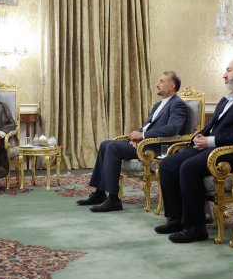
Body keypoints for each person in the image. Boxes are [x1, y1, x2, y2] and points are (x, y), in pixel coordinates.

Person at [156, 58, 233, 243]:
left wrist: (211, 141)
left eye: (228, 70)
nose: (224, 75)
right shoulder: (227, 99)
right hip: (214, 149)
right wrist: (198, 137)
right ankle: (176, 219)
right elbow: (212, 126)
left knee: (188, 167)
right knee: (168, 164)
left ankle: (196, 227)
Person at [77, 71, 189, 212]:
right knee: (105, 144)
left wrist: (142, 135)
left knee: (112, 147)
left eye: (161, 81)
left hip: (154, 147)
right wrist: (135, 137)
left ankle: (113, 199)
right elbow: (148, 126)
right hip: (143, 143)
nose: (157, 84)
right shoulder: (158, 105)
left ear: (172, 86)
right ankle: (100, 193)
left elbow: (173, 128)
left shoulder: (178, 104)